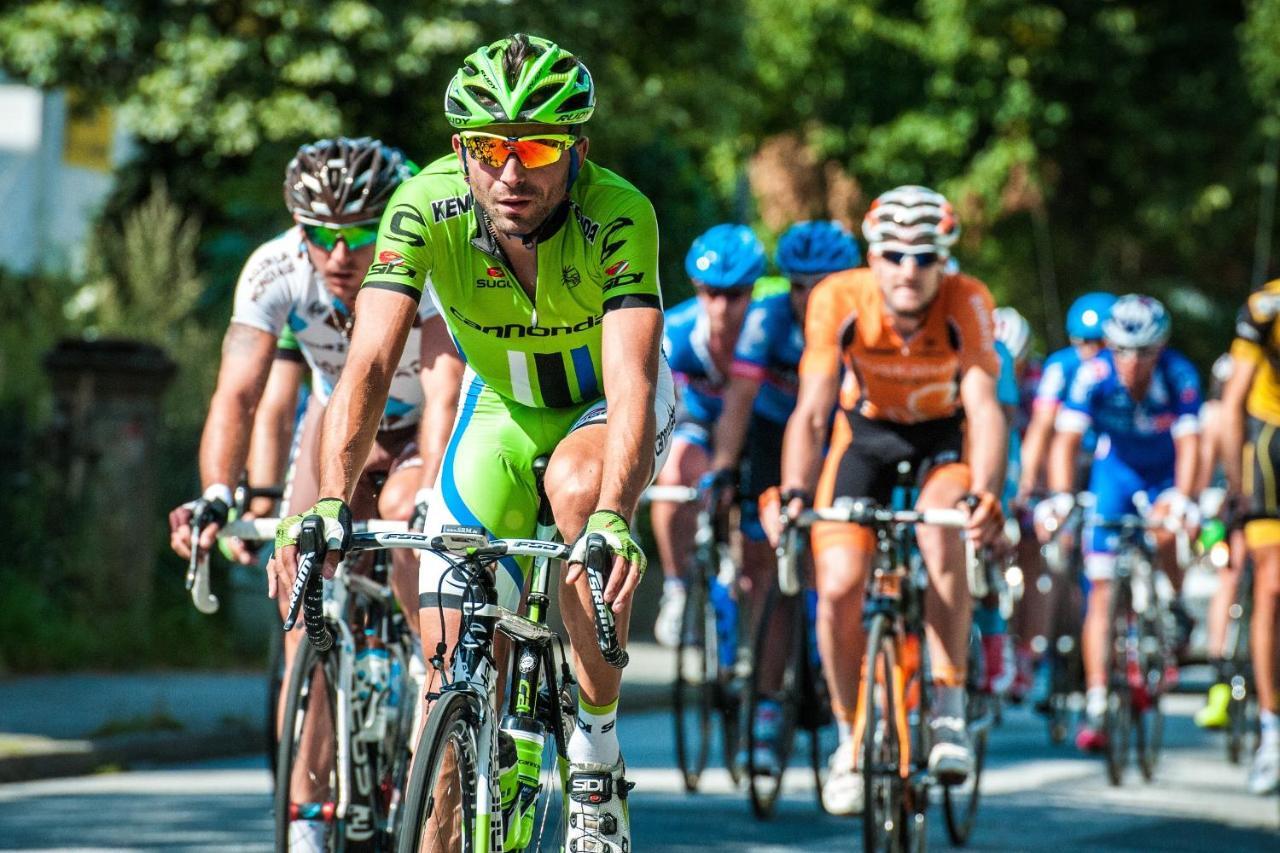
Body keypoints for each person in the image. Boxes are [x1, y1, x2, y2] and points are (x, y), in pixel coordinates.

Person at [272, 34, 674, 852]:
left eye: (535, 147)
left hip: (601, 407)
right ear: (462, 149)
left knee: (574, 495)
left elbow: (631, 378)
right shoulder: (423, 205)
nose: (511, 172)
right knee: (449, 665)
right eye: (489, 148)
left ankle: (594, 762)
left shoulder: (620, 213)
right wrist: (324, 498)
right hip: (503, 408)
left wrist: (614, 514)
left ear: (577, 151)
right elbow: (372, 362)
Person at [167, 136, 462, 849]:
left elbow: (449, 389)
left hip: (426, 427)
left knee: (405, 533)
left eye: (360, 233)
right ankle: (305, 814)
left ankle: (432, 705)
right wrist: (217, 491)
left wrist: (434, 499)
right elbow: (237, 394)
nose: (341, 254)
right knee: (303, 599)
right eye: (322, 235)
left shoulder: (423, 263)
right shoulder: (274, 268)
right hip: (342, 430)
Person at [771, 185, 1007, 815]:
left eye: (925, 256)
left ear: (944, 260)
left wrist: (985, 493)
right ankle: (850, 739)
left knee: (941, 529)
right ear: (872, 257)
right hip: (865, 437)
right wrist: (796, 494)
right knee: (842, 583)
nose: (909, 269)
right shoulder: (838, 298)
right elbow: (813, 409)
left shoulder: (969, 300)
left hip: (941, 439)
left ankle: (949, 704)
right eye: (895, 254)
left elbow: (984, 410)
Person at [709, 220, 861, 771]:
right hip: (775, 438)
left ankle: (844, 670)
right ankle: (769, 705)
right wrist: (725, 468)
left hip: (846, 435)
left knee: (843, 558)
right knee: (766, 567)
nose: (806, 298)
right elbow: (739, 399)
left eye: (820, 284)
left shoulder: (863, 315)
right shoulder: (767, 318)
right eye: (796, 285)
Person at [1041, 295, 1201, 753]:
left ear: (1161, 347)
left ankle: (1172, 601)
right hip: (1115, 474)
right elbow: (1064, 441)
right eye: (1122, 351)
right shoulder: (1092, 376)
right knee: (1102, 587)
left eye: (1144, 352)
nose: (1132, 363)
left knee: (1166, 529)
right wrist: (1060, 496)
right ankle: (1095, 697)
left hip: (1164, 473)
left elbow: (1192, 444)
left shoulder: (1179, 374)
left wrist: (1182, 498)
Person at [650, 224, 766, 648]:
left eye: (734, 294)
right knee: (673, 475)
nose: (720, 306)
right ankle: (677, 587)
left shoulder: (764, 330)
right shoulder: (677, 331)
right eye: (708, 291)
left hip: (751, 431)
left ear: (752, 290)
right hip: (697, 426)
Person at [1224, 283, 1280, 795]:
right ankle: (1271, 729)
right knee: (1272, 585)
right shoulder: (1267, 306)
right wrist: (1234, 489)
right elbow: (1233, 400)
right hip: (1272, 446)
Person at [1193, 354, 1249, 732]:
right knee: (1228, 577)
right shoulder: (1214, 415)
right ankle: (1218, 673)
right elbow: (1201, 474)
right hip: (1227, 508)